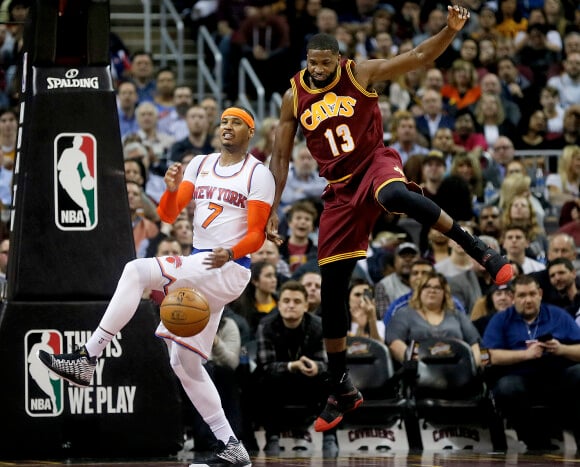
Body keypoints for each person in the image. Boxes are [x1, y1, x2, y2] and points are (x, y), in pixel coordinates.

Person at [266, 11, 512, 434]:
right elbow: (282, 157)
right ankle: (340, 387)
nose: (318, 69)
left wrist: (450, 31)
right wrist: (271, 207)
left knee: (396, 195)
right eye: (312, 62)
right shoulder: (293, 95)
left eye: (325, 62)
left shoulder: (361, 73)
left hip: (373, 164)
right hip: (339, 190)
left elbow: (418, 55)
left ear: (339, 60)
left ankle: (478, 248)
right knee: (331, 291)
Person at [37, 106, 275, 467]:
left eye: (236, 123)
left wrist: (232, 252)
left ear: (250, 132)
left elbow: (257, 233)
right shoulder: (199, 164)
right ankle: (231, 445)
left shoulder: (258, 174)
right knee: (184, 363)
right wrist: (169, 190)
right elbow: (166, 215)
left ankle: (87, 357)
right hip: (202, 263)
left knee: (136, 271)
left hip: (229, 266)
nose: (227, 127)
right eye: (224, 121)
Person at [483, 274, 580, 451]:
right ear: (512, 298)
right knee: (507, 388)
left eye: (532, 294)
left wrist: (562, 349)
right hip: (518, 377)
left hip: (556, 376)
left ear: (540, 294)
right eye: (521, 295)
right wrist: (525, 355)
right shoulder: (500, 319)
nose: (528, 300)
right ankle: (536, 443)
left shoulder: (558, 315)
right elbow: (488, 355)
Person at [254, 280, 337, 456]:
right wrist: (292, 366)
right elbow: (265, 366)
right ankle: (272, 437)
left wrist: (316, 366)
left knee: (331, 377)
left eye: (297, 301)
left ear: (306, 305)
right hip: (279, 383)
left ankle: (330, 436)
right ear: (279, 304)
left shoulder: (318, 325)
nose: (291, 305)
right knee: (262, 379)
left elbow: (326, 361)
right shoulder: (266, 325)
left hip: (309, 382)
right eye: (286, 301)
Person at [386, 271, 481, 364]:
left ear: (445, 293)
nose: (432, 290)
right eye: (427, 286)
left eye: (438, 287)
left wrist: (472, 366)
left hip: (456, 368)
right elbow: (394, 343)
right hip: (418, 371)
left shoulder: (457, 314)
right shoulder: (404, 314)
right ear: (419, 291)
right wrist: (414, 363)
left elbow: (476, 343)